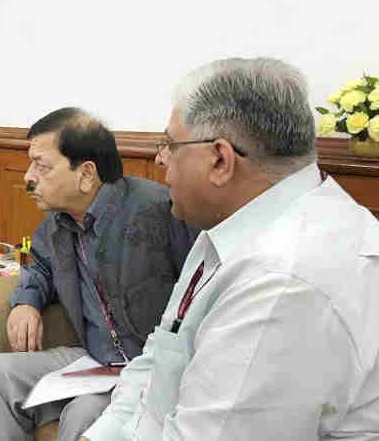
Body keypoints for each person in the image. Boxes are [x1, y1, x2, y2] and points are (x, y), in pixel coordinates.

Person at [81, 58, 379, 441]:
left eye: (170, 144)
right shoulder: (232, 224)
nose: (159, 158)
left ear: (220, 160)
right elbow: (161, 354)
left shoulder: (284, 280)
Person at [0, 107, 199, 441]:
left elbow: (200, 292)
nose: (28, 177)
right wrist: (26, 302)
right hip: (93, 357)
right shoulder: (57, 223)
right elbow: (39, 263)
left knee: (83, 413)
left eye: (42, 166)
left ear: (86, 174)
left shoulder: (161, 210)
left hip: (149, 368)